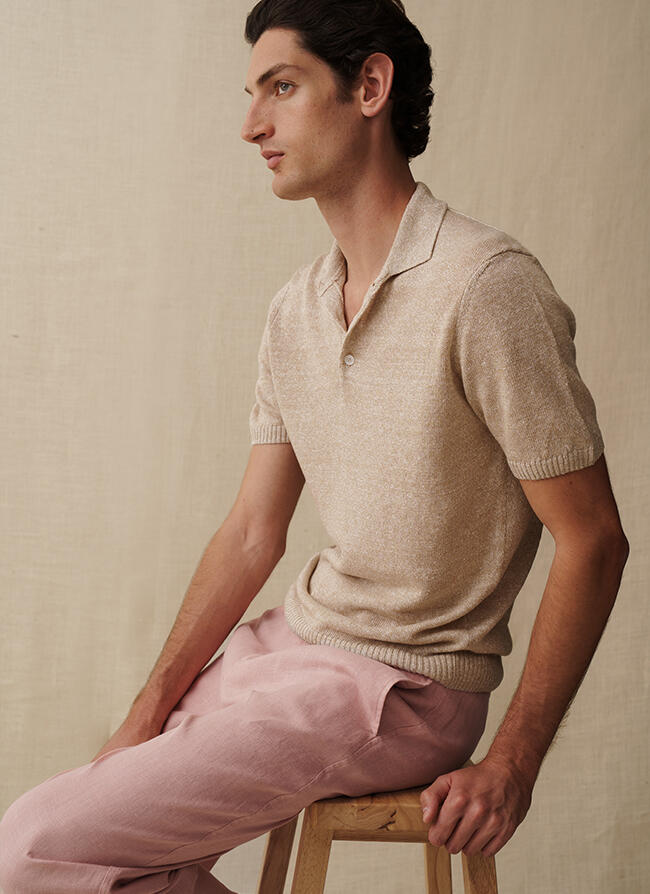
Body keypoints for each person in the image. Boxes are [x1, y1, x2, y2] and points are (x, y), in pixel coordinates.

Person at [0, 1, 629, 891]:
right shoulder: (295, 309)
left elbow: (594, 537)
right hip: (289, 647)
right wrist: (147, 710)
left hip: (401, 688)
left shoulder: (486, 287)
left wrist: (512, 765)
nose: (252, 124)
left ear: (369, 86)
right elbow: (252, 532)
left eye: (282, 88)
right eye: (251, 95)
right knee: (96, 862)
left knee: (30, 849)